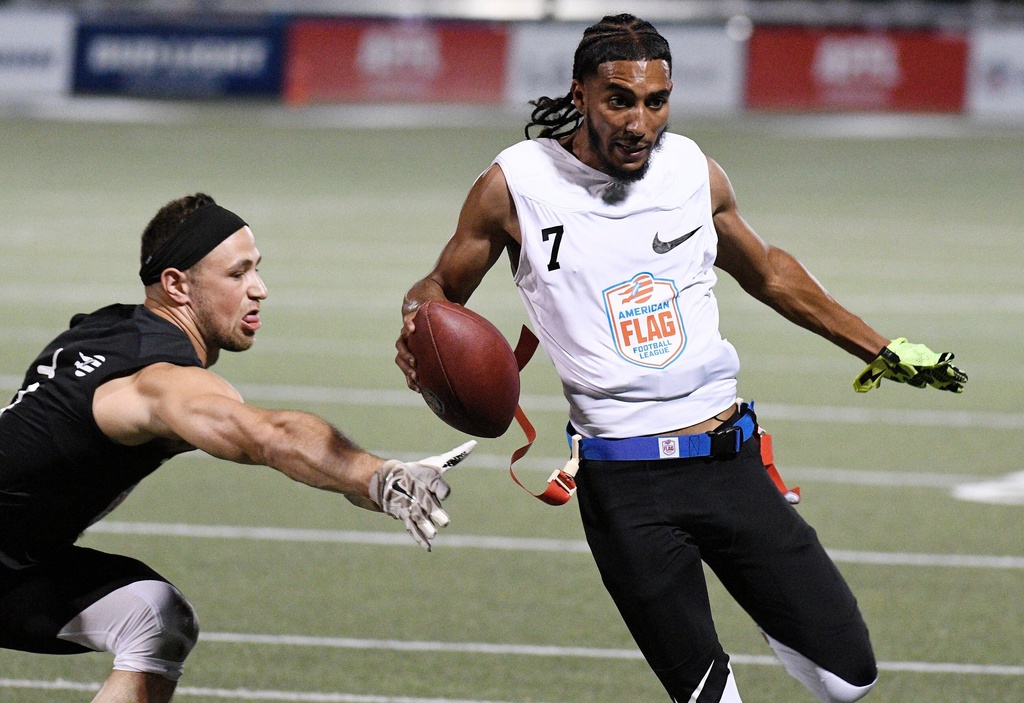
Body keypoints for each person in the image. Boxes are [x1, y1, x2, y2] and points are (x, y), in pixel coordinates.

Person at [395, 14, 967, 703]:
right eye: (619, 100)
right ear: (580, 94)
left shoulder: (694, 170)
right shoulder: (515, 185)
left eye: (656, 102)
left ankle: (772, 608)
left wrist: (882, 347)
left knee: (850, 679)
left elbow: (770, 272)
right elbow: (438, 288)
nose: (640, 121)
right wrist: (417, 322)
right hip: (625, 485)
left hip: (728, 461)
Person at [0, 193, 473, 703]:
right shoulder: (161, 383)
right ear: (176, 284)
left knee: (156, 618)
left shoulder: (103, 329)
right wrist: (381, 477)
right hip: (15, 561)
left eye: (257, 270)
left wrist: (364, 481)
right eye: (237, 274)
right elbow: (271, 436)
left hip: (19, 563)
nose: (260, 290)